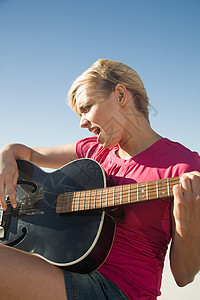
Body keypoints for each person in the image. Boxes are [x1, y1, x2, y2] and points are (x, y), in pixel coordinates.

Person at [0, 59, 200, 300]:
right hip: (65, 272)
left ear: (120, 94)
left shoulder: (183, 168)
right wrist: (6, 152)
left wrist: (187, 223)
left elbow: (183, 276)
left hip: (119, 291)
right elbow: (27, 154)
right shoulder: (94, 151)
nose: (81, 122)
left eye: (86, 108)